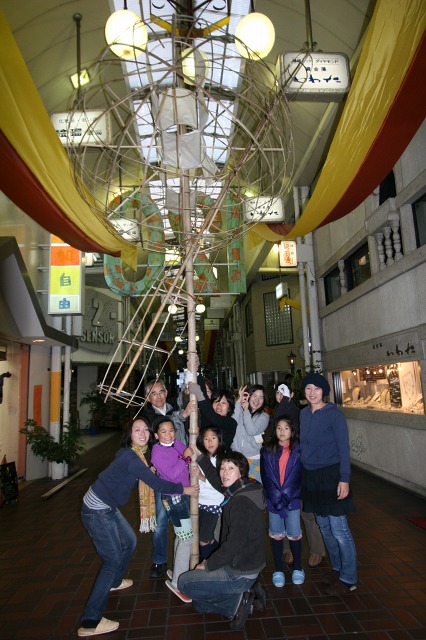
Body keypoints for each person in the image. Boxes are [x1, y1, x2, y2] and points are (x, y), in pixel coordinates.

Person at [78, 417, 198, 637]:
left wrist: (144, 473)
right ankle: (90, 622)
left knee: (130, 541)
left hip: (107, 506)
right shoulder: (131, 458)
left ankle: (114, 581)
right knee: (112, 560)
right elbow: (159, 484)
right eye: (137, 430)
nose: (142, 434)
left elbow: (130, 476)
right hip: (96, 510)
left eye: (145, 430)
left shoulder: (134, 455)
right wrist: (185, 489)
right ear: (129, 434)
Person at [178, 451, 266, 630]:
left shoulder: (240, 503)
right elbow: (215, 478)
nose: (225, 473)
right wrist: (200, 456)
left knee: (184, 583)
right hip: (247, 564)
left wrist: (208, 564)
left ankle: (238, 602)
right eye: (223, 468)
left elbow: (233, 545)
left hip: (239, 571)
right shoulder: (244, 487)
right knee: (199, 604)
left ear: (241, 472)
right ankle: (246, 592)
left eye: (231, 468)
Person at [299, 373, 357, 595]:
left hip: (331, 476)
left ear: (324, 391)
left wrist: (345, 478)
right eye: (308, 388)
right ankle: (337, 568)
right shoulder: (304, 414)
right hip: (311, 477)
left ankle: (349, 578)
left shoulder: (334, 414)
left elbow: (344, 448)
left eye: (317, 388)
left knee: (339, 528)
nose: (312, 392)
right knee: (323, 526)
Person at [141, 378, 193, 579]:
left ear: (166, 392)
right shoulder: (146, 418)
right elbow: (140, 443)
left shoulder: (174, 408)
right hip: (163, 476)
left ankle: (183, 560)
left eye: (161, 391)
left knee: (184, 521)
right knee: (161, 519)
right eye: (153, 393)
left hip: (184, 472)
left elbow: (185, 408)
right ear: (147, 397)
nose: (158, 396)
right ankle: (160, 560)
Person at [274, 382, 326, 568]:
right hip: (283, 473)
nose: (280, 396)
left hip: (301, 470)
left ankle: (317, 549)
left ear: (292, 394)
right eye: (277, 393)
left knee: (307, 513)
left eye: (284, 392)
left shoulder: (299, 413)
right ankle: (287, 548)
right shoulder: (277, 414)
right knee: (285, 512)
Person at [150, 415, 196, 603]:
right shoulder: (157, 453)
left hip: (182, 496)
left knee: (181, 535)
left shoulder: (173, 443)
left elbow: (184, 449)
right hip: (174, 498)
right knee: (187, 538)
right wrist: (186, 457)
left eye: (171, 430)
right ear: (156, 435)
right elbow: (172, 474)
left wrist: (186, 451)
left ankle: (178, 570)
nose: (168, 435)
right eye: (163, 432)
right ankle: (178, 582)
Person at [260, 416, 305, 587]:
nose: (282, 431)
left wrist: (286, 495)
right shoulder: (267, 450)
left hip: (292, 500)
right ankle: (278, 569)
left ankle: (298, 567)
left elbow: (297, 476)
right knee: (276, 534)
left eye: (286, 428)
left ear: (292, 430)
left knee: (294, 534)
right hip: (274, 501)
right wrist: (277, 498)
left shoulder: (299, 449)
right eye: (279, 428)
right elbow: (266, 476)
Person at [195, 426, 226, 559]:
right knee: (206, 537)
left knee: (203, 539)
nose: (210, 442)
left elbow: (219, 483)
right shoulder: (200, 457)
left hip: (213, 503)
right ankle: (217, 554)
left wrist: (201, 477)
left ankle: (206, 564)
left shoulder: (222, 459)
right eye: (206, 439)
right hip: (200, 501)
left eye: (213, 438)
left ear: (219, 439)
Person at [231, 384, 270, 481]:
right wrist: (238, 402)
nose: (257, 400)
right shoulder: (239, 410)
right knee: (237, 488)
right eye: (254, 396)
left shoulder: (264, 416)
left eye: (261, 397)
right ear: (249, 396)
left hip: (253, 460)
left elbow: (251, 430)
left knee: (254, 488)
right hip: (236, 458)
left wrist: (246, 411)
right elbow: (232, 424)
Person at [189, 383, 237, 448]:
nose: (219, 406)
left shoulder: (231, 423)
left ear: (229, 408)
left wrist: (199, 394)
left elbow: (214, 418)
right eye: (216, 402)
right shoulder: (205, 419)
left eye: (223, 403)